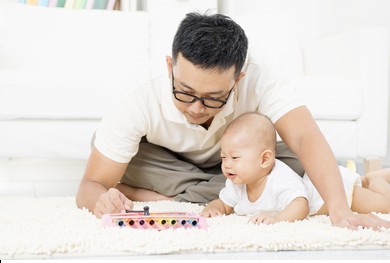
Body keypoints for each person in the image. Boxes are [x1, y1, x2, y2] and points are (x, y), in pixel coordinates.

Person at [76, 12, 390, 229]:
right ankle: (196, 192)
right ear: (170, 67)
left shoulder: (261, 75)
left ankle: (359, 183)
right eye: (185, 93)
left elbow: (305, 136)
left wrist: (339, 209)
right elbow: (90, 185)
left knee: (287, 167)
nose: (197, 108)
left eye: (213, 97)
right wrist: (102, 200)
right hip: (165, 164)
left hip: (234, 164)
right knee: (255, 189)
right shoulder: (138, 93)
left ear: (238, 79)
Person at [200, 112, 390, 225]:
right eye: (224, 157)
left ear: (264, 159)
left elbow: (301, 205)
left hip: (328, 193)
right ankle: (365, 179)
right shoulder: (237, 182)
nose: (227, 164)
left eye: (235, 158)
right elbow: (223, 204)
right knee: (366, 187)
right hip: (321, 189)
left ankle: (375, 179)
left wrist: (279, 220)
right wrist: (212, 209)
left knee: (384, 205)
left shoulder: (278, 178)